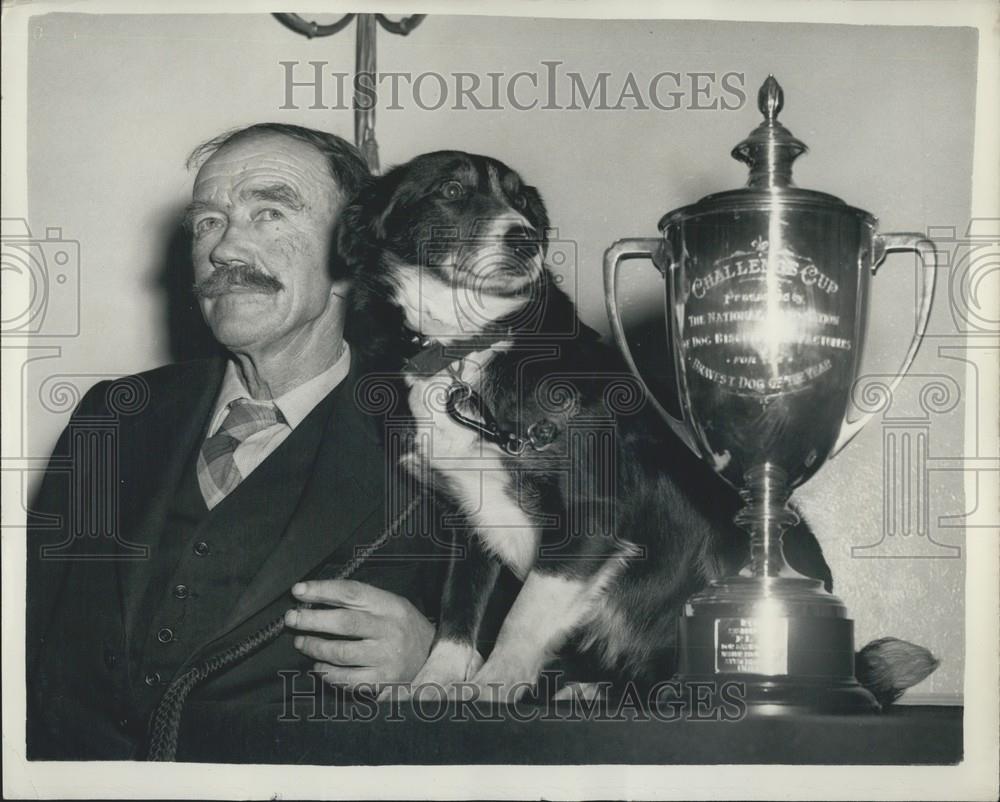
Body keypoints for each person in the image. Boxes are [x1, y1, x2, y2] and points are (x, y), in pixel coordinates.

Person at [25, 123, 452, 760]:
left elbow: (600, 661)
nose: (224, 249)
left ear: (352, 260)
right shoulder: (114, 415)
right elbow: (24, 635)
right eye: (208, 222)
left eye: (269, 212)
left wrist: (434, 660)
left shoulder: (441, 437)